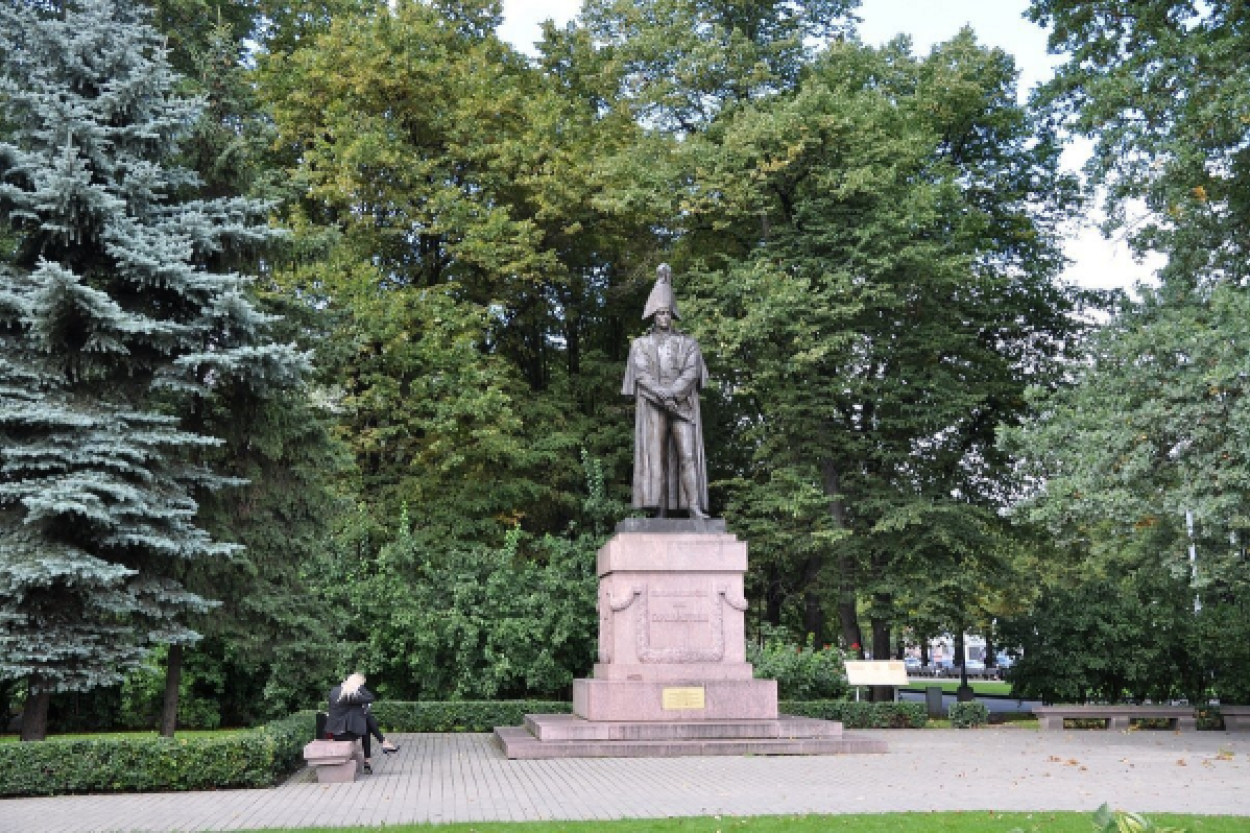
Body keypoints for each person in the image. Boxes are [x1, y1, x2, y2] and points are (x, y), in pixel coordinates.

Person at [621, 264, 710, 519]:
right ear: (653, 315)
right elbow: (641, 375)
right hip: (653, 405)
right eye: (660, 313)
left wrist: (674, 396)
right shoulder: (640, 345)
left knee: (688, 456)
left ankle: (694, 506)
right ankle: (658, 510)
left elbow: (692, 372)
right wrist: (664, 396)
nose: (664, 317)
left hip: (682, 406)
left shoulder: (688, 343)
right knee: (655, 458)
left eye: (668, 313)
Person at [324, 672, 399, 774]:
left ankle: (370, 759)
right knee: (366, 718)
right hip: (343, 734)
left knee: (365, 722)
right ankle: (382, 744)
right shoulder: (349, 695)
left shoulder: (336, 690)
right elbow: (370, 697)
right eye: (361, 684)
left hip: (337, 732)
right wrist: (359, 687)